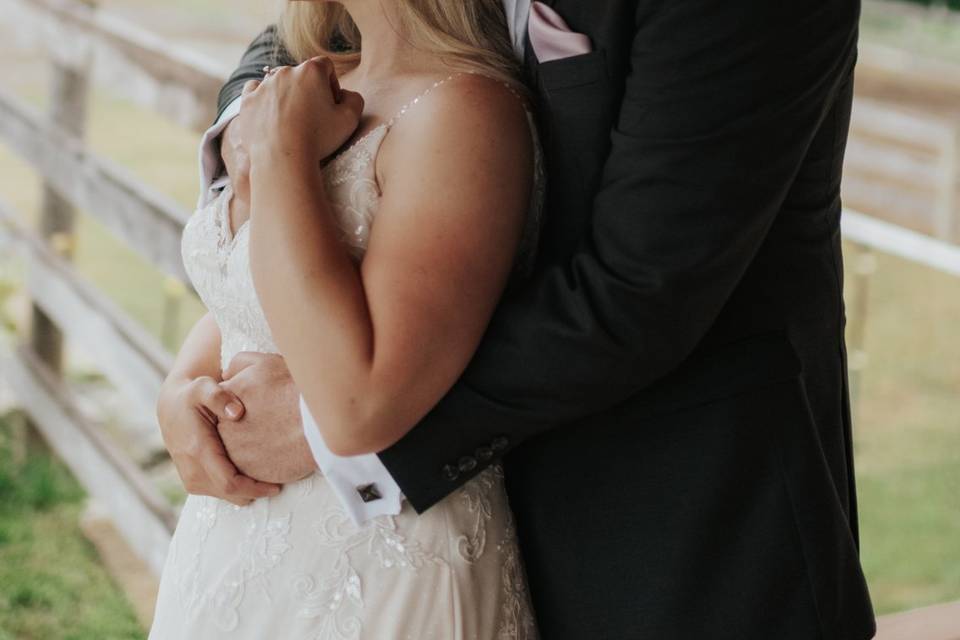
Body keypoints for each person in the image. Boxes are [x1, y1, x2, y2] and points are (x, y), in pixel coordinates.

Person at [158, 0, 878, 638]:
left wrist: (331, 424)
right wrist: (201, 376)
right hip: (296, 546)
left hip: (670, 522)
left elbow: (640, 291)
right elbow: (295, 49)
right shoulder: (375, 49)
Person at [150, 1, 541, 637]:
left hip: (377, 563)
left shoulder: (464, 109)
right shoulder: (311, 84)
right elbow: (249, 299)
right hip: (229, 554)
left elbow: (359, 404)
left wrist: (282, 157)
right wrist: (181, 389)